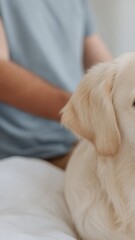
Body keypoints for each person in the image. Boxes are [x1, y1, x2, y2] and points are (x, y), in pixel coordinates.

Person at [0, 0, 112, 168]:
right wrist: (81, 110)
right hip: (28, 150)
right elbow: (2, 75)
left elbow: (106, 69)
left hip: (76, 140)